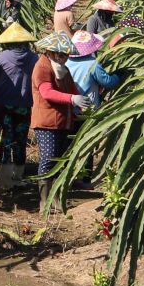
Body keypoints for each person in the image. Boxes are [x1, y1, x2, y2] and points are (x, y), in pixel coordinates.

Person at [31, 31, 89, 204]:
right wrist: (71, 99)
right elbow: (46, 92)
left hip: (63, 121)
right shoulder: (42, 67)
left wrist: (81, 104)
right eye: (62, 55)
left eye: (67, 55)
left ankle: (55, 198)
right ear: (52, 52)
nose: (65, 58)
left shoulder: (63, 69)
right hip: (47, 122)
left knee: (59, 160)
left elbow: (73, 90)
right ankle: (44, 201)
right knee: (48, 160)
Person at [0, 22, 39, 192]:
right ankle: (18, 177)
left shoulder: (0, 57)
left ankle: (5, 180)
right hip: (24, 105)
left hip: (3, 104)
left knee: (4, 140)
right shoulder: (35, 58)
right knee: (20, 139)